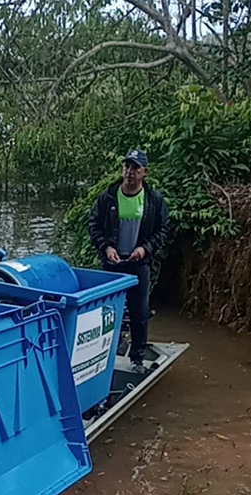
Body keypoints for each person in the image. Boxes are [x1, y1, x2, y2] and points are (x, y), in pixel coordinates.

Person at [88, 149, 170, 374]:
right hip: (112, 263)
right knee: (106, 312)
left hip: (138, 263)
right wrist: (106, 247)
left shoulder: (153, 200)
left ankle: (137, 358)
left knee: (139, 312)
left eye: (135, 168)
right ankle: (103, 355)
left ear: (144, 172)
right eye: (127, 167)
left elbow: (163, 229)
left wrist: (145, 248)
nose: (129, 172)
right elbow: (93, 225)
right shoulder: (108, 197)